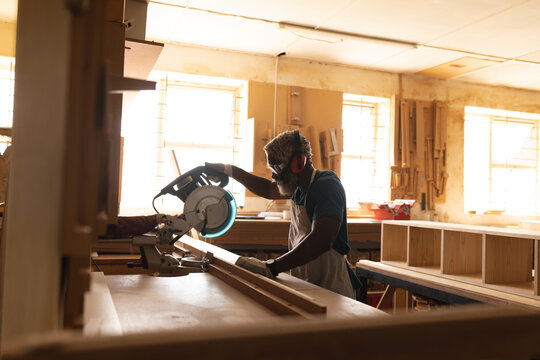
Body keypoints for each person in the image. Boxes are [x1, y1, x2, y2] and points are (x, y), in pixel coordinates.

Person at [206, 130, 361, 298]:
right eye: (271, 167)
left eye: (277, 167)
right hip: (307, 283)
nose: (273, 174)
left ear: (298, 163)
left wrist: (271, 267)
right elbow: (267, 188)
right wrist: (229, 170)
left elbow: (321, 240)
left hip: (332, 288)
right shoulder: (297, 186)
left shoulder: (326, 186)